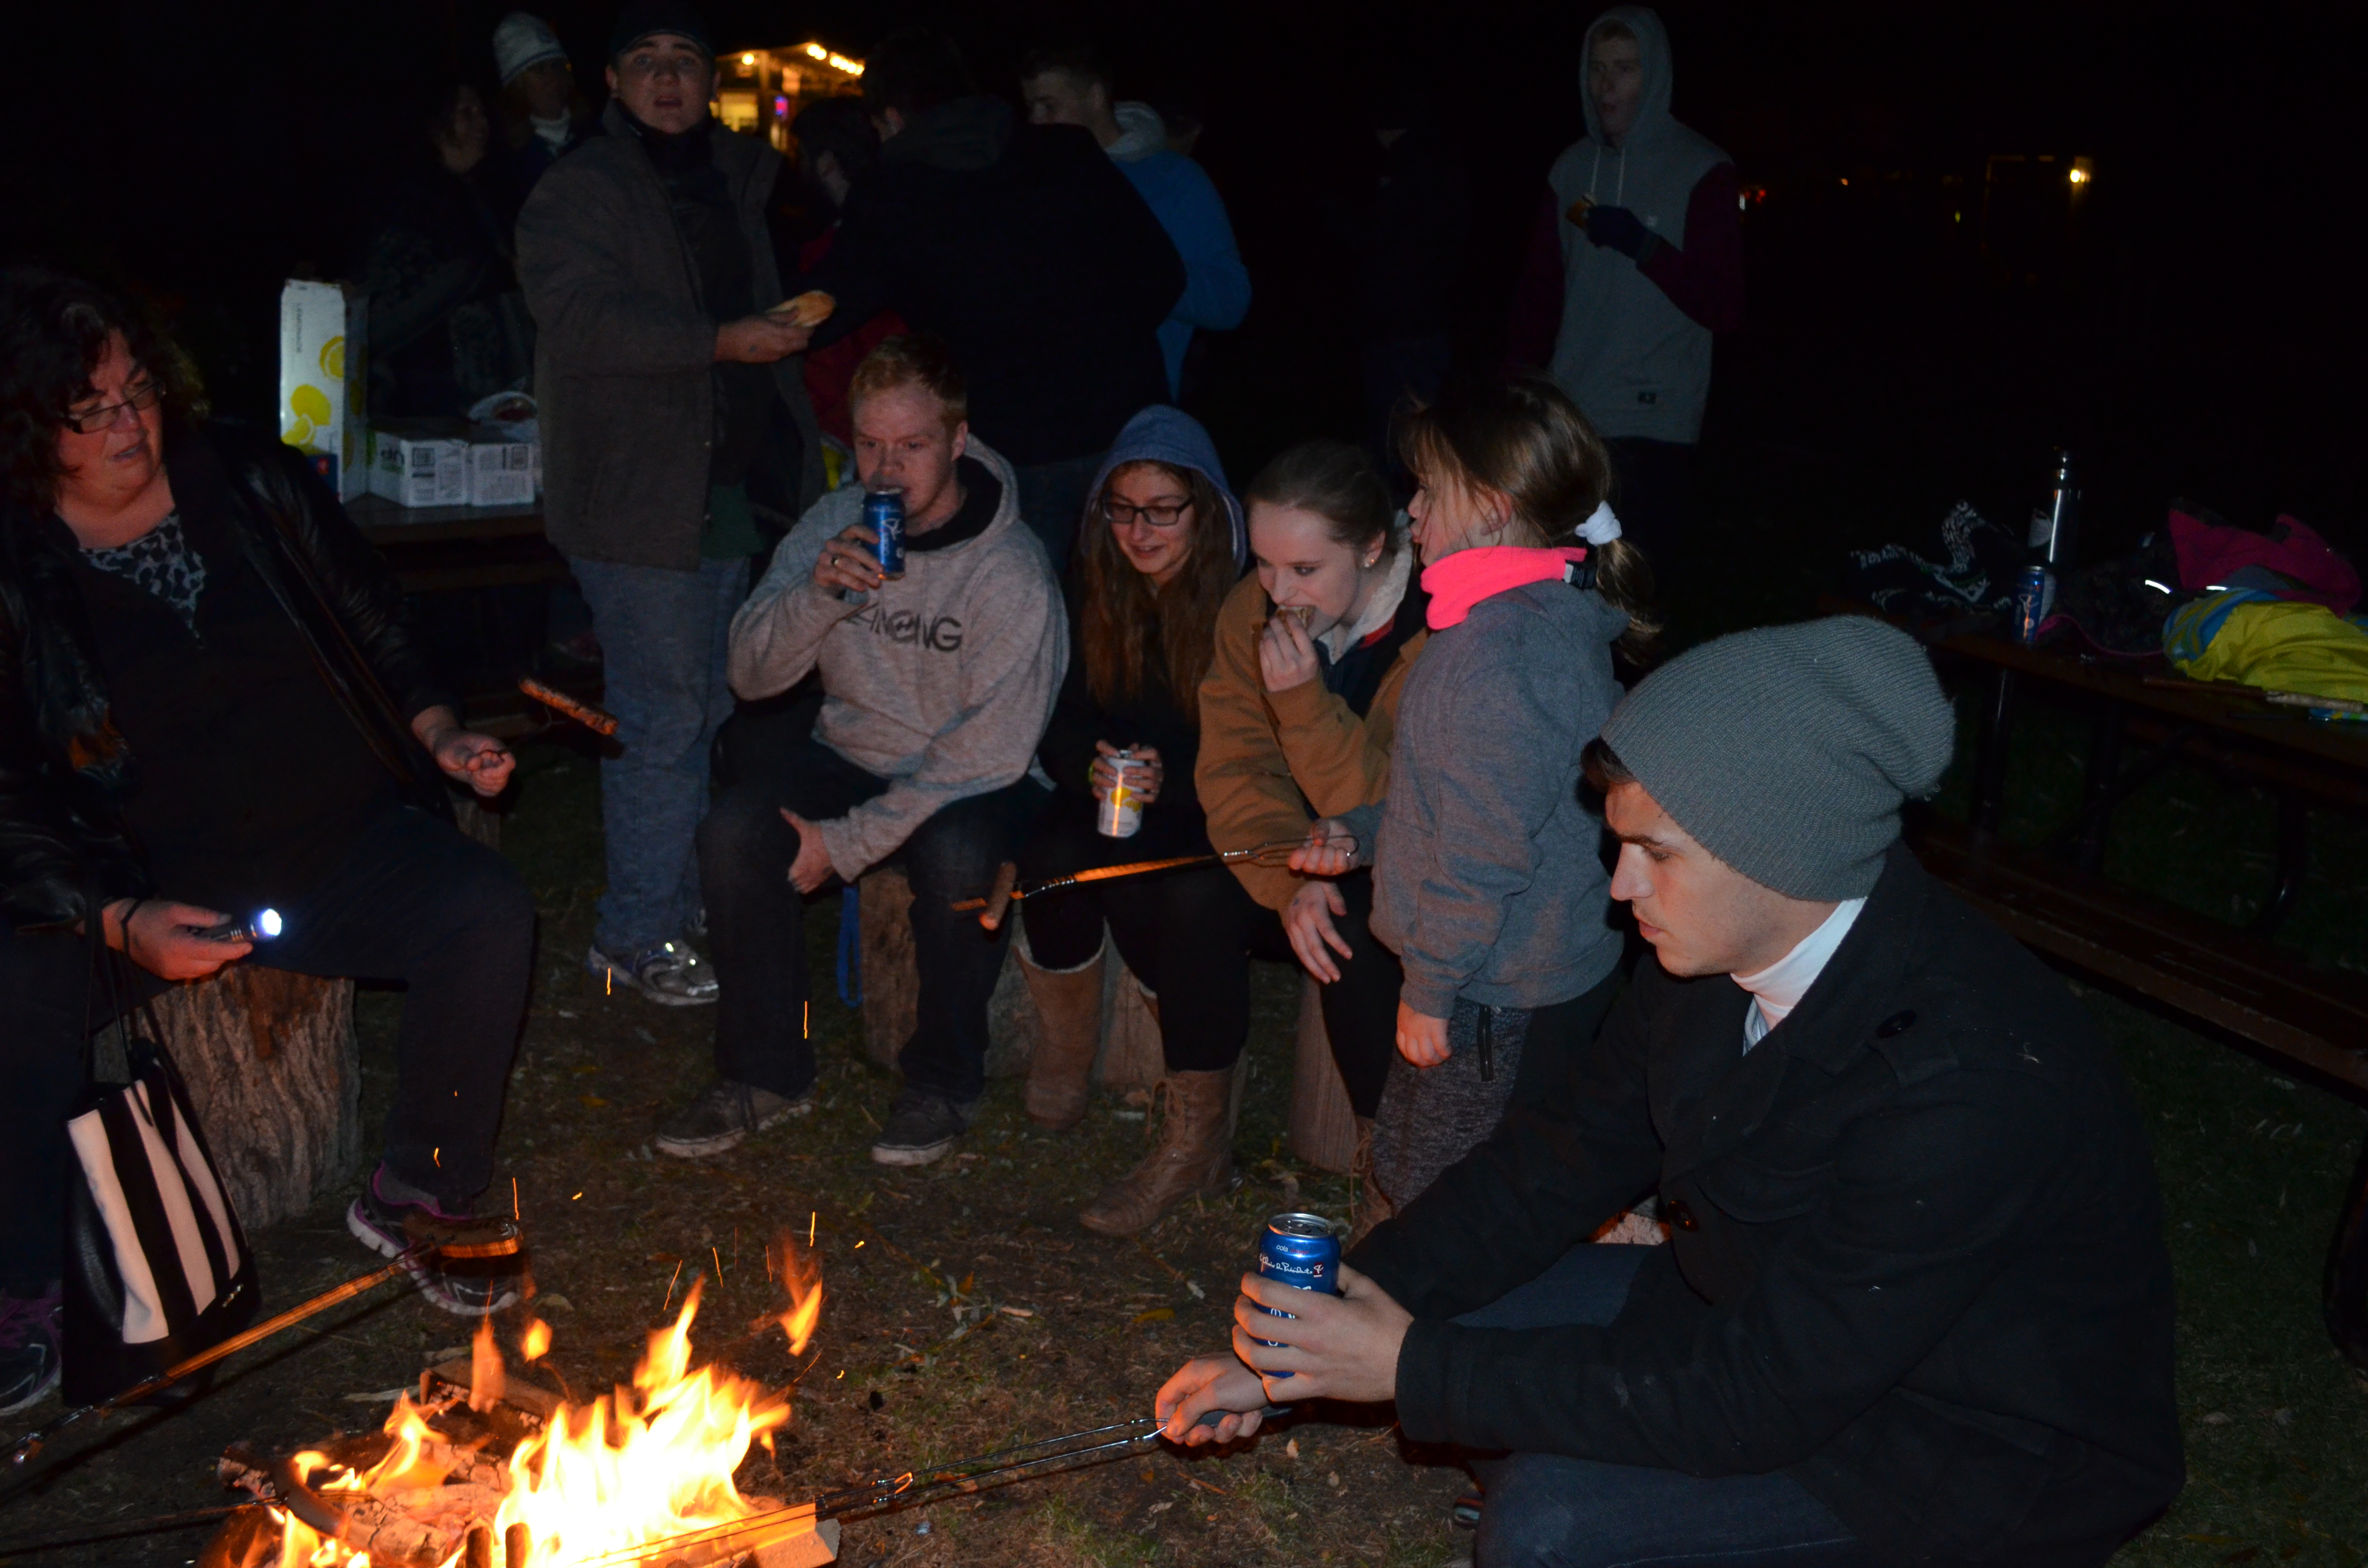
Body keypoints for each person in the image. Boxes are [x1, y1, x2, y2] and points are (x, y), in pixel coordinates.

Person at [1158, 616, 2185, 1568]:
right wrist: (1316, 1334)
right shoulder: (1710, 952)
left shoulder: (1965, 1087)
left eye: (1655, 854)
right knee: (1470, 1317)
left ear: (1783, 854)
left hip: (1953, 1447)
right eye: (1620, 845)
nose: (1619, 888)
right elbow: (1559, 1158)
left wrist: (1415, 1367)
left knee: (1549, 1530)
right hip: (1757, 1309)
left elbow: (1759, 1396)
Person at [0, 272, 534, 1399]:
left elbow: (372, 617)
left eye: (137, 390)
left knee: (483, 911)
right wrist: (116, 916)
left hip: (326, 840)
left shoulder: (244, 478)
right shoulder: (17, 563)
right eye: (89, 410)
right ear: (26, 422)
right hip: (139, 873)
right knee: (19, 984)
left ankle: (418, 1188)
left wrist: (438, 732)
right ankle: (25, 1284)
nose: (129, 424)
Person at [658, 335, 1061, 1169]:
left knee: (957, 853)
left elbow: (989, 750)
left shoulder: (1010, 568)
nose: (885, 470)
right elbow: (751, 673)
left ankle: (944, 1081)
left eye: (911, 446)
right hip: (855, 748)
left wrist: (842, 845)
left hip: (982, 771)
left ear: (955, 441)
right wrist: (819, 598)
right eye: (869, 444)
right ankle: (764, 1072)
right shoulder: (830, 524)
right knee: (735, 830)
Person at [517, 0, 823, 1005]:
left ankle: (692, 903)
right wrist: (718, 342)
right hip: (634, 498)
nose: (665, 78)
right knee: (661, 719)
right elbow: (577, 318)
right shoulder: (583, 189)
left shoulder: (734, 177)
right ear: (610, 81)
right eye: (643, 61)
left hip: (727, 489)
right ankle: (632, 935)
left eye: (683, 60)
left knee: (711, 709)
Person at [1309, 377, 1652, 1224]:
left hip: (1498, 980)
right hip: (1494, 963)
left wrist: (1429, 986)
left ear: (1492, 509)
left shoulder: (1499, 653)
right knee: (1427, 1163)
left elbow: (1485, 850)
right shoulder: (1519, 618)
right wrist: (1362, 834)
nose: (1411, 512)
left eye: (1428, 491)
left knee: (1455, 1195)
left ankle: (1413, 1327)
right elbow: (1462, 801)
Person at [797, 27, 1184, 576]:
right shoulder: (1067, 153)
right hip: (1129, 425)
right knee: (1132, 616)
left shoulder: (896, 194)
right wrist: (1101, 344)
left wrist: (731, 330)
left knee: (1037, 621)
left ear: (892, 118)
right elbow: (1162, 275)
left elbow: (822, 309)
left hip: (1017, 450)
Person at [1007, 406, 1263, 1235]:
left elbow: (1259, 752)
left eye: (1161, 509)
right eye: (1122, 507)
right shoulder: (1099, 587)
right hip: (1117, 791)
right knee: (1049, 852)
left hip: (1213, 806)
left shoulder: (1243, 602)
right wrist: (1092, 762)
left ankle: (1197, 1134)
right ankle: (1063, 1052)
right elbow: (1063, 717)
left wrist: (1174, 778)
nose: (1138, 529)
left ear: (1205, 508)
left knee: (1187, 895)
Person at [1194, 440, 1426, 1234]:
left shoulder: (1434, 631)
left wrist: (1299, 702)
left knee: (1360, 934)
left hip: (1404, 858)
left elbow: (1397, 807)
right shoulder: (1248, 611)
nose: (1277, 592)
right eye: (1263, 564)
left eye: (1303, 570)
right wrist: (1293, 878)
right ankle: (1192, 1141)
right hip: (1292, 857)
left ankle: (1387, 1191)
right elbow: (1234, 773)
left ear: (1371, 548)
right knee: (1190, 890)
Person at [1506, 6, 1743, 565]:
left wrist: (1645, 247)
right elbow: (1540, 290)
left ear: (1655, 75)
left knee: (1631, 597)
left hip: (1652, 423)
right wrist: (1514, 384)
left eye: (1625, 69)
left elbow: (1724, 306)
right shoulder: (1568, 171)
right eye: (1596, 69)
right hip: (1570, 415)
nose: (1606, 85)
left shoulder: (1702, 169)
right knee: (1559, 587)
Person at [1019, 43, 1250, 400]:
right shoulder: (1025, 181)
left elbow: (1229, 300)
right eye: (1030, 106)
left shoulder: (1175, 180)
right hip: (1040, 415)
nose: (1036, 120)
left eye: (1049, 106)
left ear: (1095, 97)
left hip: (1135, 414)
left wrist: (1138, 269)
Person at [357, 80, 534, 419]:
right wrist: (503, 272)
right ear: (434, 125)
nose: (480, 123)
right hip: (432, 390)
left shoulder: (482, 192)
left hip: (489, 391)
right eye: (466, 113)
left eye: (482, 112)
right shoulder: (410, 198)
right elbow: (414, 290)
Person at [1356, 66, 1471, 478]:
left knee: (1400, 441)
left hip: (1402, 330)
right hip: (1427, 325)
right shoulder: (1443, 162)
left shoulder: (1406, 170)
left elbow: (1381, 244)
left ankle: (1406, 523)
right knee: (1419, 433)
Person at [789, 96, 904, 457]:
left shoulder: (828, 258)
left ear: (824, 164)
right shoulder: (909, 231)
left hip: (848, 448)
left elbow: (822, 372)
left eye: (802, 158)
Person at [492, 12, 596, 194]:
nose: (554, 79)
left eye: (557, 66)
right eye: (539, 70)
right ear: (518, 84)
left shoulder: (597, 137)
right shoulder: (505, 163)